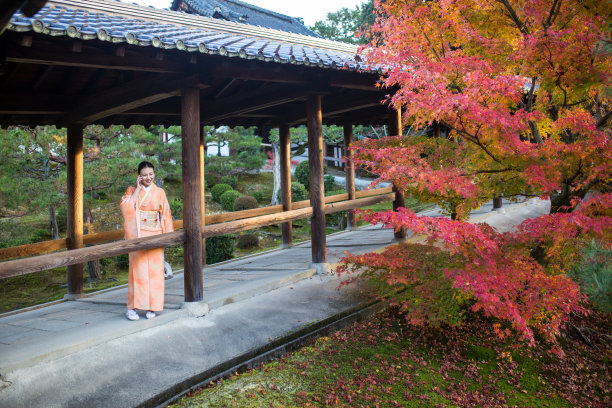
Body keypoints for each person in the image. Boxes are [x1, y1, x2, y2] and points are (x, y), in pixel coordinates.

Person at [119, 161, 173, 321]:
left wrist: (167, 236)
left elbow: (166, 215)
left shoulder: (160, 192)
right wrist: (136, 190)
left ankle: (153, 307)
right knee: (137, 273)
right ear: (139, 176)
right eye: (144, 175)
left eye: (151, 174)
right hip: (138, 235)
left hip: (156, 234)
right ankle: (132, 307)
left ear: (154, 174)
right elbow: (126, 208)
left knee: (155, 274)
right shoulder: (132, 190)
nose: (148, 177)